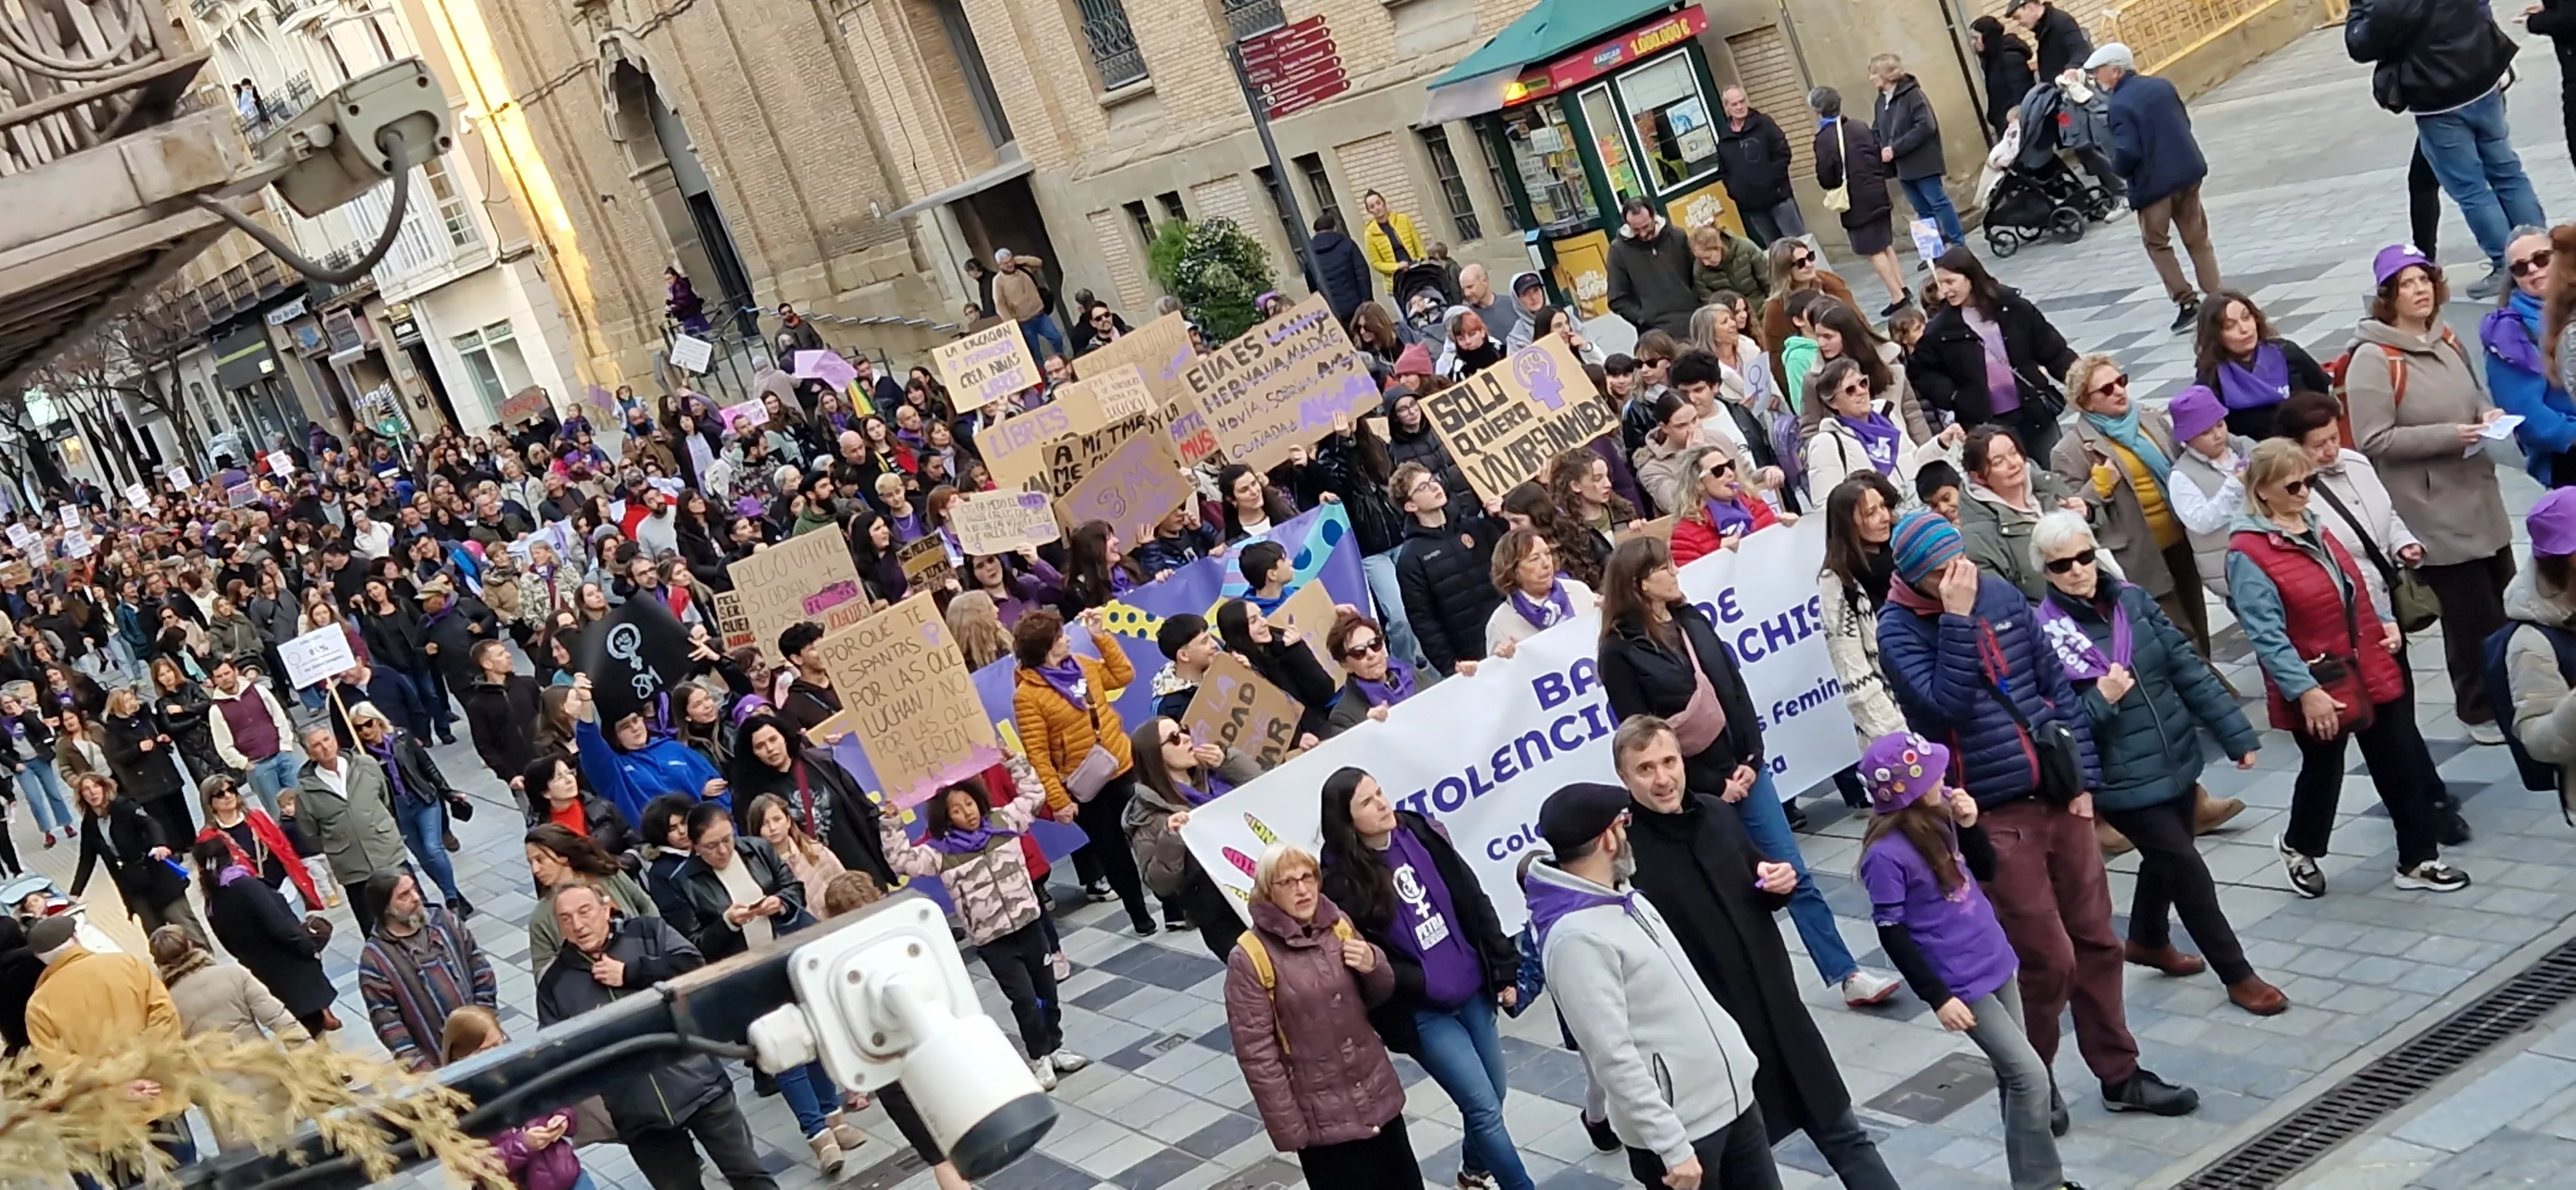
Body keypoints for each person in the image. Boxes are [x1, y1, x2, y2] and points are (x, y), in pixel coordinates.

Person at [1875, 509, 2200, 1125]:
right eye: (1942, 573)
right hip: (1991, 810)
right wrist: (1955, 620)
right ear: (1917, 580)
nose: (1958, 577)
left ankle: (2120, 1073)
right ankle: (2034, 1077)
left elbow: (2053, 682)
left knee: (2098, 941)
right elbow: (1946, 703)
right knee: (2046, 958)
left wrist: (2084, 782)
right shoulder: (1899, 629)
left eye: (1959, 563)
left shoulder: (1997, 590)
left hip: (2057, 794)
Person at [1596, 533, 1898, 1006]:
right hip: (1694, 790)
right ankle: (1751, 993)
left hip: (1746, 770)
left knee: (1791, 871)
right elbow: (1642, 734)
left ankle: (1845, 972)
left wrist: (1751, 759)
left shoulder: (1689, 619)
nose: (1676, 573)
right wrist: (1712, 783)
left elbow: (1732, 686)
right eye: (1665, 568)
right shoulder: (1618, 652)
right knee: (1724, 893)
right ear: (1639, 584)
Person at [1604, 712, 1893, 1185]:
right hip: (1718, 1038)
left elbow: (1759, 875)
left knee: (1845, 1134)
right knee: (1753, 1170)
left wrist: (1778, 881)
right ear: (1623, 777)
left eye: (1669, 761)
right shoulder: (1625, 857)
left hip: (1782, 1015)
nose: (1663, 778)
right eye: (1646, 769)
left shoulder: (1716, 813)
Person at [2031, 513, 2285, 1015]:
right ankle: (2238, 974)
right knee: (2186, 867)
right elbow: (2056, 726)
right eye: (2063, 565)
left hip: (2173, 754)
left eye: (2084, 557)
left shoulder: (2133, 602)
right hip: (2118, 779)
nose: (2078, 571)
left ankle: (2147, 937)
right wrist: (2102, 699)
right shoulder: (2045, 636)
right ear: (2046, 571)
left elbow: (2186, 668)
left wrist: (2234, 732)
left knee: (2170, 853)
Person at [2226, 439, 2472, 897]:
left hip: (2368, 660)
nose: (2305, 492)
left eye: (2310, 482)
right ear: (2262, 491)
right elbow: (2267, 635)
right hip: (2321, 677)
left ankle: (2418, 859)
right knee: (2324, 768)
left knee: (2399, 757)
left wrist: (2383, 621)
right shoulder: (2249, 552)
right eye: (2294, 485)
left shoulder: (2313, 525)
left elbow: (2351, 585)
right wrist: (2305, 691)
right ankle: (2300, 845)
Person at [1528, 775, 1781, 1190]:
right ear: (1609, 839)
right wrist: (1672, 1145)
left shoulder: (1627, 898)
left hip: (1732, 1104)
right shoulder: (1576, 939)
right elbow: (1612, 1055)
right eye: (1623, 826)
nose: (1629, 836)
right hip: (1684, 1135)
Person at [1850, 731, 2070, 1190]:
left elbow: (1986, 870)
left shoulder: (1942, 815)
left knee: (2015, 1076)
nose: (1944, 777)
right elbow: (1891, 932)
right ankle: (2042, 1184)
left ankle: (2029, 1180)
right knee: (2031, 1075)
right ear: (1910, 790)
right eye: (1933, 774)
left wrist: (1970, 827)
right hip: (1959, 980)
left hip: (1992, 956)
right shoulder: (1885, 857)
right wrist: (1938, 997)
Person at [1316, 767, 1529, 1190]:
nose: (1382, 804)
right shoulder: (1341, 880)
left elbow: (1470, 896)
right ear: (1347, 821)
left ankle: (1473, 1170)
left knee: (1493, 1096)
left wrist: (1503, 966)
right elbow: (1368, 957)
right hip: (1420, 1011)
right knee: (1483, 1107)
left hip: (1471, 987)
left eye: (1380, 792)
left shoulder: (1417, 830)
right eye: (1368, 802)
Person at [2347, 243, 2517, 743]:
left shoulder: (2444, 336)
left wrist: (2485, 416)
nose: (2420, 291)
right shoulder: (2374, 359)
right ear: (2388, 296)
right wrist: (2451, 434)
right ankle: (2478, 707)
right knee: (2470, 619)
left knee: (2504, 600)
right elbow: (2374, 438)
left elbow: (2474, 391)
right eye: (2408, 284)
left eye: (2425, 280)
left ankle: (2511, 696)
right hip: (2430, 507)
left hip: (2477, 491)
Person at [537, 882, 780, 1190]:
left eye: (584, 912)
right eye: (566, 918)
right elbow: (557, 1051)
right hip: (639, 1116)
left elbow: (694, 966)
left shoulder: (646, 932)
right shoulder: (556, 983)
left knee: (750, 1175)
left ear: (605, 907)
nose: (578, 924)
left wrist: (632, 973)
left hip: (699, 1084)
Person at [1224, 843, 1422, 1190]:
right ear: (1268, 893)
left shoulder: (1338, 924)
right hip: (1323, 1121)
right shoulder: (1250, 958)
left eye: (1307, 877)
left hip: (1377, 1096)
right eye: (1288, 882)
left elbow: (1377, 995)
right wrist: (1290, 1128)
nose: (1302, 889)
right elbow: (1257, 1055)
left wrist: (1373, 964)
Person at [880, 766, 1092, 1090]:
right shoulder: (939, 852)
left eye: (969, 804)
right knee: (1023, 998)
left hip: (1030, 924)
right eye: (957, 810)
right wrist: (892, 823)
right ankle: (1039, 1057)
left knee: (1047, 991)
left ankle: (1056, 1046)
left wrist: (1015, 764)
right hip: (994, 940)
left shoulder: (1003, 822)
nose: (967, 813)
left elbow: (1034, 797)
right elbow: (901, 861)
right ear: (947, 817)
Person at [2346, 0, 2544, 298]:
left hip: (2438, 97)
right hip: (2483, 77)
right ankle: (2542, 252)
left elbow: (2361, 43)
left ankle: (2507, 265)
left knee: (2471, 188)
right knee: (2507, 171)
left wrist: (2359, 9)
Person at [1011, 607, 1155, 933]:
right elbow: (1038, 754)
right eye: (1060, 637)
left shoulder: (1083, 665)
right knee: (1113, 851)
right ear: (1046, 648)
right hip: (1085, 784)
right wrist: (1059, 801)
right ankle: (1138, 912)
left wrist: (1101, 638)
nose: (1067, 639)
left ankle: (1173, 905)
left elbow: (1123, 676)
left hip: (1121, 764)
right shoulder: (1027, 696)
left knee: (1149, 833)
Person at [2054, 352, 2210, 654]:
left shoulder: (2149, 419)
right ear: (2086, 403)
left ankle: (2210, 681)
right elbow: (2071, 514)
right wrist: (2099, 485)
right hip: (2139, 553)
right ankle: (2213, 694)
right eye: (2107, 389)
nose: (2120, 391)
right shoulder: (2070, 451)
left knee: (2197, 619)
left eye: (2120, 381)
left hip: (2182, 539)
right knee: (2177, 631)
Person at [22, 914, 195, 1167]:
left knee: (128, 1178)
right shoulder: (126, 964)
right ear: (75, 938)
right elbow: (164, 1016)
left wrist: (116, 1083)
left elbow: (61, 1065)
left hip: (104, 1108)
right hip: (156, 1087)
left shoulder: (39, 1006)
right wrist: (144, 1063)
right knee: (187, 1169)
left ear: (40, 959)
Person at [2090, 44, 2220, 333]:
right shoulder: (2162, 86)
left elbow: (2127, 152)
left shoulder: (2120, 105)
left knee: (2156, 242)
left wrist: (2117, 169)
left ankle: (2187, 303)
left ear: (2116, 71)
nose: (2097, 77)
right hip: (2187, 172)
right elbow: (2183, 121)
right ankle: (2217, 296)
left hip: (2154, 186)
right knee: (2197, 237)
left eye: (2099, 71)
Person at [1909, 247, 2079, 462]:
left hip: (2032, 410)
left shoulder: (2014, 308)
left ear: (1970, 277)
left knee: (2054, 471)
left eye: (1950, 282)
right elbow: (1921, 370)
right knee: (2008, 476)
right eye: (1940, 284)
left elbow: (2052, 350)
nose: (1944, 291)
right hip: (1985, 421)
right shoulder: (1941, 329)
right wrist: (1953, 396)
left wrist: (2083, 381)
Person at [148, 924, 310, 1151]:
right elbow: (280, 1019)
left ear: (158, 963)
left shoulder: (167, 1004)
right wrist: (314, 1058)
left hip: (225, 1100)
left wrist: (200, 1097)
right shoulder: (233, 974)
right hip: (268, 1076)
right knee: (301, 1149)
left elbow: (175, 1062)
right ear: (191, 945)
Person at [1124, 717, 1263, 959]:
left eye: (1184, 730)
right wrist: (1171, 838)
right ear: (1156, 757)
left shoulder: (1215, 774)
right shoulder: (1149, 815)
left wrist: (1229, 762)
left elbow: (1265, 791)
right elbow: (1160, 883)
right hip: (1221, 912)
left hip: (1266, 885)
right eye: (1175, 738)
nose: (1187, 738)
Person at [727, 713, 894, 889]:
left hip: (861, 869)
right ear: (752, 753)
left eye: (773, 739)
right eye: (760, 746)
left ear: (784, 737)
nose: (770, 748)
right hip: (814, 885)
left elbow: (862, 805)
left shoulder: (821, 763)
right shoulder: (750, 795)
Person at [191, 835, 336, 1038]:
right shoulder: (246, 886)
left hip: (265, 974)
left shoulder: (212, 902)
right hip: (291, 970)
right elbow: (280, 926)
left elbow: (229, 945)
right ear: (230, 854)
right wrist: (308, 947)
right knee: (313, 1035)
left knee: (297, 1035)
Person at [357, 870, 495, 1072]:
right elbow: (388, 1024)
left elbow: (480, 967)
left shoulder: (446, 922)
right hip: (438, 1066)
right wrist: (421, 1068)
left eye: (414, 889)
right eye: (404, 895)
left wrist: (486, 1020)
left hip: (488, 1043)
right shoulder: (376, 960)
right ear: (386, 908)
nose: (416, 898)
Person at [352, 702, 472, 918]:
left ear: (377, 720)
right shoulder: (360, 758)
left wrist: (448, 792)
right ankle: (457, 898)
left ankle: (451, 899)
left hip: (422, 799)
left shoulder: (401, 738)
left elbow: (426, 765)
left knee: (433, 848)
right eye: (358, 728)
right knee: (423, 859)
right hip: (397, 811)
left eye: (367, 724)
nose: (365, 731)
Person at [296, 722, 412, 938]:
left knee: (411, 910)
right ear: (309, 753)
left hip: (388, 854)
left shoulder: (366, 765)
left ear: (335, 740)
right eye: (317, 745)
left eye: (327, 740)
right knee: (374, 929)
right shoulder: (305, 792)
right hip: (354, 870)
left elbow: (384, 799)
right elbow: (311, 834)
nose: (325, 747)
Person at [1392, 462, 1506, 677]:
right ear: (1410, 506)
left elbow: (1512, 558)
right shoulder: (1411, 558)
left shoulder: (1475, 526)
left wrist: (1501, 519)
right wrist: (1449, 665)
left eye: (1433, 480)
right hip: (1472, 658)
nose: (1434, 487)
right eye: (1423, 487)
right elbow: (1423, 620)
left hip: (1509, 634)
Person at [2483, 227, 2576, 487]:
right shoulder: (2508, 330)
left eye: (2541, 258)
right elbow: (2527, 415)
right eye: (2521, 268)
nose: (2534, 270)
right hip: (2568, 454)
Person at [70, 772, 207, 945]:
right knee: (154, 932)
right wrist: (75, 894)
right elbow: (87, 859)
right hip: (132, 884)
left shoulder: (123, 806)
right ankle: (172, 967)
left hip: (156, 874)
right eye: (86, 790)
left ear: (105, 788)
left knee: (182, 922)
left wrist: (160, 845)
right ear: (81, 796)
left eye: (96, 786)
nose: (92, 793)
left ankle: (205, 956)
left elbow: (151, 823)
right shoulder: (90, 824)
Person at [1808, 87, 1906, 317]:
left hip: (1856, 200)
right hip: (1878, 191)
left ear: (1818, 110)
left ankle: (1897, 296)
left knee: (1873, 250)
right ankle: (1901, 286)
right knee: (1885, 243)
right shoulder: (1859, 126)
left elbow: (1826, 175)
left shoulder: (1824, 139)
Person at [1958, 426, 2087, 600]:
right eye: (1998, 462)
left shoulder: (2047, 485)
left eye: (2013, 453)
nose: (2013, 464)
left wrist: (2088, 514)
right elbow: (2002, 601)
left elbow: (2098, 536)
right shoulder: (1979, 534)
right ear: (1978, 478)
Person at [2190, 290, 2331, 441]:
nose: (2245, 329)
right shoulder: (2212, 377)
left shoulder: (2286, 352)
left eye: (2246, 318)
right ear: (2215, 335)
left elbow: (2322, 389)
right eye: (2230, 326)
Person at [1869, 53, 1961, 250]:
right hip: (1900, 165)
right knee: (1921, 209)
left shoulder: (1913, 95)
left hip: (1922, 161)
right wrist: (1880, 147)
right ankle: (1934, 251)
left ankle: (1958, 243)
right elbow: (1877, 128)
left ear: (1886, 74)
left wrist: (1896, 148)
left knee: (1938, 202)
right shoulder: (1881, 101)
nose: (1871, 78)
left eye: (1874, 73)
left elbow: (1926, 126)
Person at [208, 656, 299, 815]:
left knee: (303, 800)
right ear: (214, 680)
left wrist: (285, 746)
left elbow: (279, 718)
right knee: (278, 812)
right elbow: (223, 745)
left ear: (235, 671)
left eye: (227, 673)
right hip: (258, 766)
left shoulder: (258, 691)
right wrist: (244, 764)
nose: (225, 679)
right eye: (219, 676)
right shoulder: (216, 710)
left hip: (282, 755)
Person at [1715, 86, 1805, 247]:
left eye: (1742, 102)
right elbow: (1724, 171)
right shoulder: (1725, 138)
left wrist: (1772, 181)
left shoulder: (1764, 124)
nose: (1740, 107)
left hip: (1779, 200)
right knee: (1775, 251)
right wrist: (1736, 192)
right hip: (1753, 207)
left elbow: (1783, 153)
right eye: (1734, 104)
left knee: (1798, 245)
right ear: (1726, 107)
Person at [1484, 529, 1592, 655]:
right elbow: (1496, 672)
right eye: (1534, 559)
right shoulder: (1501, 624)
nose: (1547, 563)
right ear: (1513, 571)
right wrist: (1504, 660)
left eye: (1547, 554)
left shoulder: (1579, 592)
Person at [1605, 198, 1699, 339]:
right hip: (1656, 332)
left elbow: (1697, 276)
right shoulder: (1619, 250)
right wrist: (1643, 318)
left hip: (1693, 320)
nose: (1642, 234)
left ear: (1654, 216)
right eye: (1636, 229)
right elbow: (1617, 298)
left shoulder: (1677, 237)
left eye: (1646, 227)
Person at [1970, 16, 2038, 138]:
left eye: (1976, 38)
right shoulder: (1991, 60)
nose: (1973, 43)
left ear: (1988, 38)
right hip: (2007, 127)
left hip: (2020, 129)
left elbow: (2022, 94)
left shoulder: (2010, 58)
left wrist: (2011, 120)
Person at [1359, 189, 1425, 287]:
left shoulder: (1403, 219)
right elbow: (1376, 263)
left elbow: (1418, 243)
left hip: (1416, 269)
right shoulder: (1370, 233)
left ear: (1384, 203)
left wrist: (1423, 260)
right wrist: (1397, 266)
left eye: (1379, 203)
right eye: (1372, 207)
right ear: (1369, 211)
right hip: (1396, 280)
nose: (1377, 208)